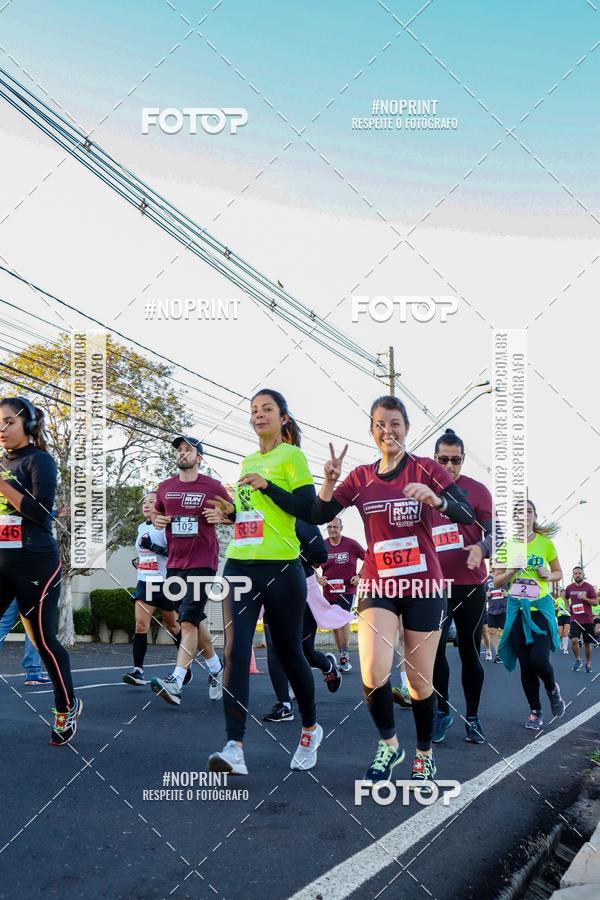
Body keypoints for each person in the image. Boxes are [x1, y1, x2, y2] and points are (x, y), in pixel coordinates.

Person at [255, 395, 476, 788]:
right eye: (380, 424)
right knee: (373, 673)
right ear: (372, 431)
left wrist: (438, 499)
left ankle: (424, 754)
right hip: (378, 583)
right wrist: (328, 481)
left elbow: (465, 512)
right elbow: (318, 514)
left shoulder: (426, 468)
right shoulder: (359, 477)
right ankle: (389, 745)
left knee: (418, 681)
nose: (387, 430)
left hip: (423, 584)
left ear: (406, 428)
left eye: (394, 423)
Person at [204, 390, 324, 775]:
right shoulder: (248, 461)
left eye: (267, 409)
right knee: (235, 650)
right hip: (240, 564)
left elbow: (308, 510)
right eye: (254, 410)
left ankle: (310, 729)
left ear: (283, 417)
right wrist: (230, 512)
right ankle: (234, 746)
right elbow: (252, 515)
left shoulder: (292, 457)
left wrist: (268, 487)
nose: (258, 415)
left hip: (282, 567)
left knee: (289, 654)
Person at [0, 396, 81, 744]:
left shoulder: (39, 460)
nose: (2, 428)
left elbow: (41, 512)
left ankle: (66, 706)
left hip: (36, 562)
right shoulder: (3, 463)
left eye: (9, 421)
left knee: (43, 640)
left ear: (29, 425)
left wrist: (2, 484)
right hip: (2, 561)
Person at [148, 436, 230, 706]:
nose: (182, 453)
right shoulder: (165, 487)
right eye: (180, 450)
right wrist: (157, 520)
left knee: (186, 622)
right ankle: (216, 666)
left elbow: (235, 514)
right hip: (175, 563)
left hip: (203, 561)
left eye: (188, 450)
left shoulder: (213, 486)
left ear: (199, 458)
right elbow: (157, 514)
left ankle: (176, 680)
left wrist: (222, 517)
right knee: (191, 618)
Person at [430, 428, 495, 745]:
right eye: (443, 460)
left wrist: (481, 548)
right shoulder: (423, 492)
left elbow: (497, 535)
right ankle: (442, 711)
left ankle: (473, 716)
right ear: (434, 459)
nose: (449, 466)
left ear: (463, 459)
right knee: (433, 652)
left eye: (455, 460)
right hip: (434, 586)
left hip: (470, 585)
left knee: (470, 651)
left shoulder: (478, 491)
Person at [263, 518, 344, 722]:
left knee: (304, 651)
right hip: (271, 588)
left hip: (301, 588)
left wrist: (291, 556)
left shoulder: (299, 518)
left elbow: (320, 553)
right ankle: (284, 705)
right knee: (274, 647)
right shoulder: (263, 517)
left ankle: (328, 666)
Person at [494, 500, 565, 731]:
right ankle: (535, 711)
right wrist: (511, 571)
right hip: (517, 609)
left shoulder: (545, 543)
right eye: (519, 512)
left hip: (540, 609)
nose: (524, 515)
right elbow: (497, 581)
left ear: (534, 516)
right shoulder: (506, 546)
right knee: (526, 665)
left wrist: (548, 574)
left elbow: (558, 572)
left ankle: (552, 689)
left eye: (528, 511)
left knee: (538, 660)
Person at [122, 492, 183, 686]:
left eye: (151, 501)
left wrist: (155, 548)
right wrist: (140, 562)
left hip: (165, 583)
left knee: (173, 627)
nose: (146, 505)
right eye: (144, 501)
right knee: (140, 625)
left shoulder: (167, 526)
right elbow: (145, 553)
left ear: (160, 505)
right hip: (145, 582)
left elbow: (177, 555)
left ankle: (184, 667)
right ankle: (137, 671)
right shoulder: (141, 527)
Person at [317, 517, 364, 671]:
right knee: (335, 624)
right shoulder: (322, 545)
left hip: (347, 590)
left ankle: (344, 655)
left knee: (342, 618)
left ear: (341, 528)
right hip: (329, 591)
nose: (332, 530)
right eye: (329, 527)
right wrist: (318, 578)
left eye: (335, 527)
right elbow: (310, 564)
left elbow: (369, 558)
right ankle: (342, 654)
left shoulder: (351, 544)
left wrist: (359, 575)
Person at [0, 598, 51, 684]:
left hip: (12, 590)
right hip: (34, 590)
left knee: (4, 623)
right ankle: (33, 672)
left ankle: (33, 672)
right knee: (33, 624)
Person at [565, 566, 597, 673]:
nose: (577, 575)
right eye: (575, 573)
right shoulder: (569, 588)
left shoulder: (589, 587)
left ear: (583, 575)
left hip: (587, 620)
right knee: (574, 640)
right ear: (573, 575)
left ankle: (588, 662)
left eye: (579, 573)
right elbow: (566, 597)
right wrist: (567, 607)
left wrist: (585, 598)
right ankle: (578, 660)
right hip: (575, 619)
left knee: (587, 644)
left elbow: (595, 602)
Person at [486, 576, 508, 662]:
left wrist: (508, 595)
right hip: (492, 609)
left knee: (507, 631)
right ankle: (498, 654)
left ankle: (508, 652)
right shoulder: (487, 579)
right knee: (492, 631)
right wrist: (486, 595)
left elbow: (517, 592)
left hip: (505, 608)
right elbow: (483, 594)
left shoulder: (508, 576)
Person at [554, 588, 571, 655]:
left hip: (567, 616)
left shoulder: (569, 600)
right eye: (562, 592)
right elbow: (554, 607)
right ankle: (561, 642)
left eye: (564, 592)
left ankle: (565, 649)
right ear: (560, 593)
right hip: (560, 617)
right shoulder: (557, 600)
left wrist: (568, 608)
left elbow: (571, 608)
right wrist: (558, 608)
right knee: (560, 634)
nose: (563, 593)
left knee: (565, 632)